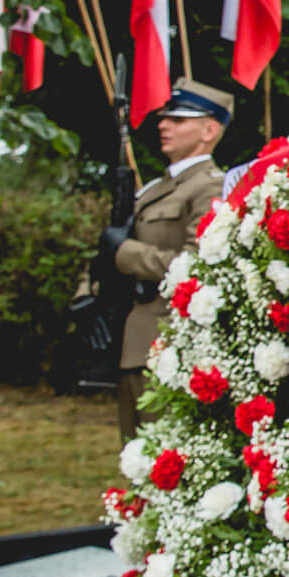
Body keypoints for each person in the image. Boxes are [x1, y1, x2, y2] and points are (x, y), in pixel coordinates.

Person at [100, 79, 232, 441]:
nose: (163, 125)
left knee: (164, 453)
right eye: (165, 118)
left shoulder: (211, 187)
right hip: (132, 343)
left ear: (209, 130)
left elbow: (195, 265)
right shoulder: (154, 190)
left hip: (170, 347)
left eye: (179, 119)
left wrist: (123, 254)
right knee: (134, 454)